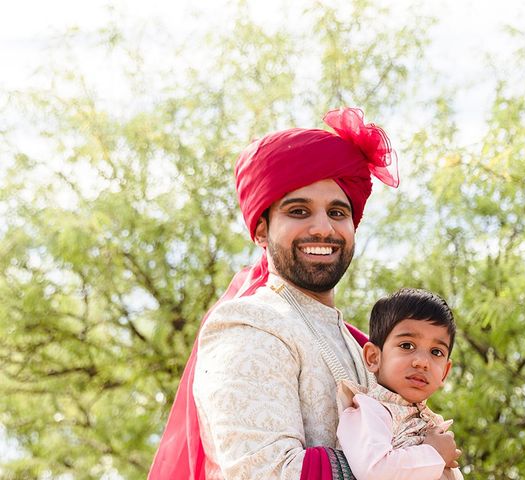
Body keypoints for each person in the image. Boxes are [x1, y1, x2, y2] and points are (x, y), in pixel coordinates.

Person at [149, 107, 461, 479]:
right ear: (262, 231)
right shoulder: (249, 324)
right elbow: (266, 472)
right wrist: (419, 459)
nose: (323, 229)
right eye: (298, 211)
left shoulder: (362, 345)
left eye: (337, 212)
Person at [336, 288, 464, 480]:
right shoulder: (368, 411)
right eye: (407, 346)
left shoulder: (429, 422)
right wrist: (434, 453)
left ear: (445, 372)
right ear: (373, 357)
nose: (422, 362)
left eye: (436, 352)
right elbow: (374, 469)